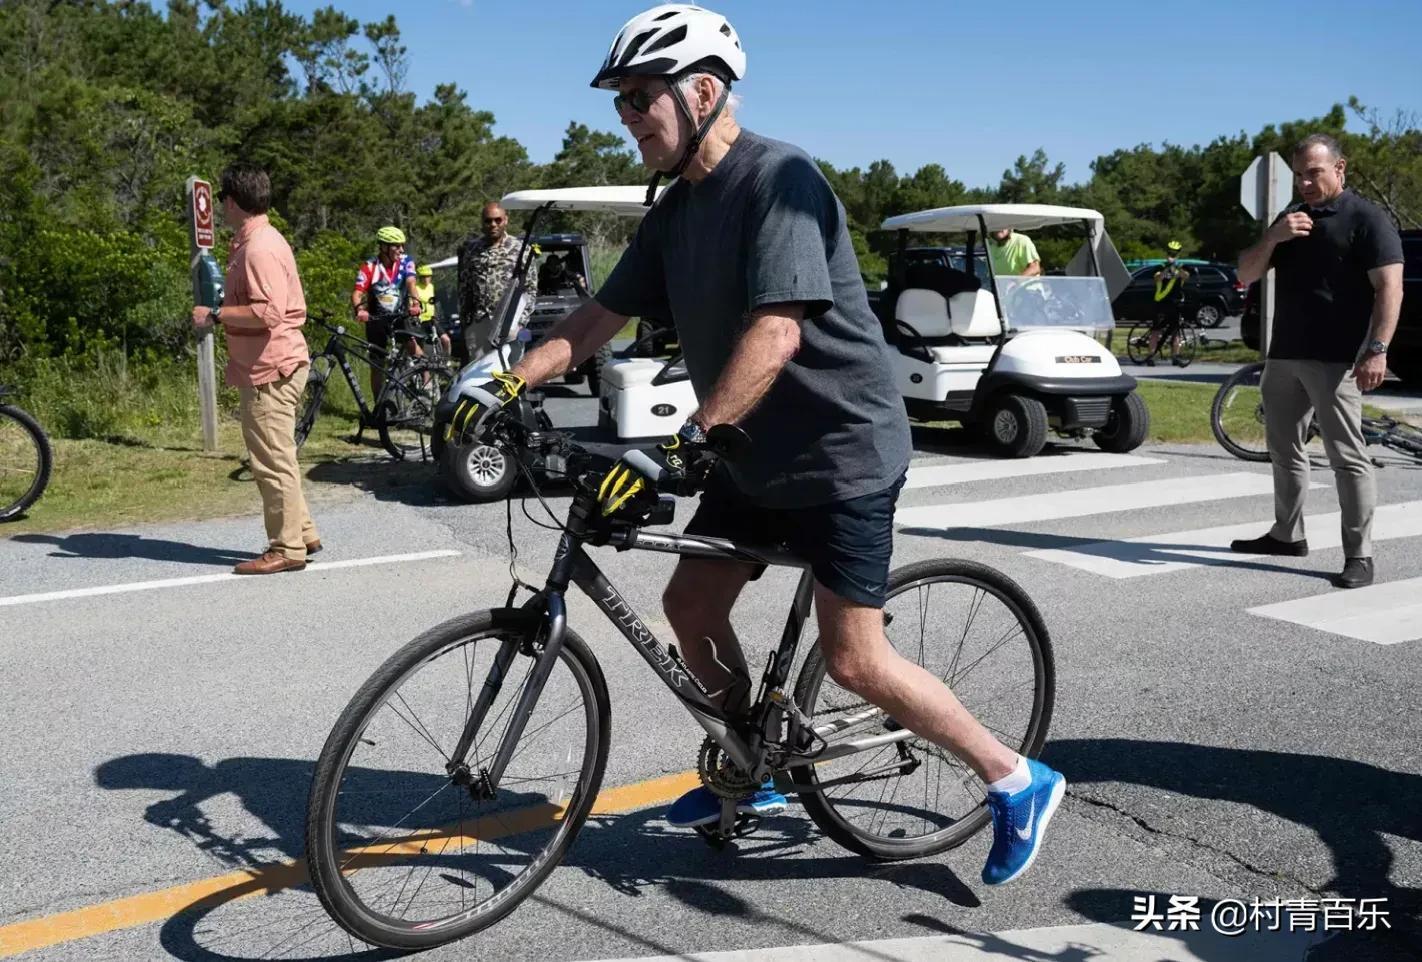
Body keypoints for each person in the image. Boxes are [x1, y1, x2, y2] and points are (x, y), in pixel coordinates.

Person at [446, 3, 1064, 887]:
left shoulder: (783, 181)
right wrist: (511, 377)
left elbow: (778, 331)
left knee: (853, 657)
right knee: (692, 609)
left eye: (638, 97)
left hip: (840, 451)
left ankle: (1014, 778)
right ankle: (752, 762)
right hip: (750, 452)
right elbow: (593, 320)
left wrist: (684, 441)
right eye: (619, 100)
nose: (625, 116)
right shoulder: (674, 210)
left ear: (703, 91)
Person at [1231, 133, 1404, 589]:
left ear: (1339, 169)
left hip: (1337, 359)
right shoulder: (1291, 219)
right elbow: (1245, 274)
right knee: (1284, 451)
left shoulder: (1367, 219)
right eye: (1299, 175)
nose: (1305, 182)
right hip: (1285, 354)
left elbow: (1391, 288)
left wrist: (1377, 348)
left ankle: (1359, 555)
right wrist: (1273, 236)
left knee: (1347, 457)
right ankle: (1287, 535)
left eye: (1314, 173)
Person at [191, 163, 320, 575]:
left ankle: (286, 549)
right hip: (273, 363)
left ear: (232, 201)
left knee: (270, 461)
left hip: (270, 368)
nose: (222, 209)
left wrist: (214, 314)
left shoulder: (259, 247)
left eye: (223, 202)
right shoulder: (258, 240)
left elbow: (266, 313)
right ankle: (303, 532)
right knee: (279, 455)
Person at [352, 226, 421, 399]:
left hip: (400, 316)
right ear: (384, 247)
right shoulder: (370, 266)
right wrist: (360, 310)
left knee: (415, 349)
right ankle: (378, 405)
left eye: (402, 246)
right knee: (377, 364)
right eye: (396, 246)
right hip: (377, 320)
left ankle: (428, 388)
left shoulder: (406, 261)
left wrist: (416, 303)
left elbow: (411, 283)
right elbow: (357, 293)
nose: (401, 250)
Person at [457, 202, 532, 358]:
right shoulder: (472, 249)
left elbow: (530, 288)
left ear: (506, 220)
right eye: (488, 221)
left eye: (498, 220)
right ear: (482, 222)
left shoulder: (520, 249)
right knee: (478, 374)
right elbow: (465, 287)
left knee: (511, 373)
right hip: (480, 323)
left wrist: (521, 321)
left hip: (510, 323)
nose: (493, 224)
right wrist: (466, 322)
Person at [1145, 240, 1192, 367]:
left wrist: (1176, 267)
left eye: (1175, 253)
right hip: (1161, 302)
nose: (1172, 255)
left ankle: (1175, 356)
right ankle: (1150, 356)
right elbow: (1157, 278)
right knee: (1156, 330)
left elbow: (1186, 276)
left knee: (1175, 330)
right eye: (1170, 253)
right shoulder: (1160, 266)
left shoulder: (1181, 266)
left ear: (1178, 254)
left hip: (1175, 303)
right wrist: (1167, 268)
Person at [413, 263, 451, 357]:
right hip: (420, 321)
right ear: (420, 277)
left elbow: (432, 302)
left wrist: (436, 314)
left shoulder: (431, 287)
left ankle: (446, 361)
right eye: (424, 277)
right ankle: (420, 366)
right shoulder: (415, 288)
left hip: (431, 319)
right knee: (420, 346)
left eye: (428, 276)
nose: (426, 279)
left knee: (446, 340)